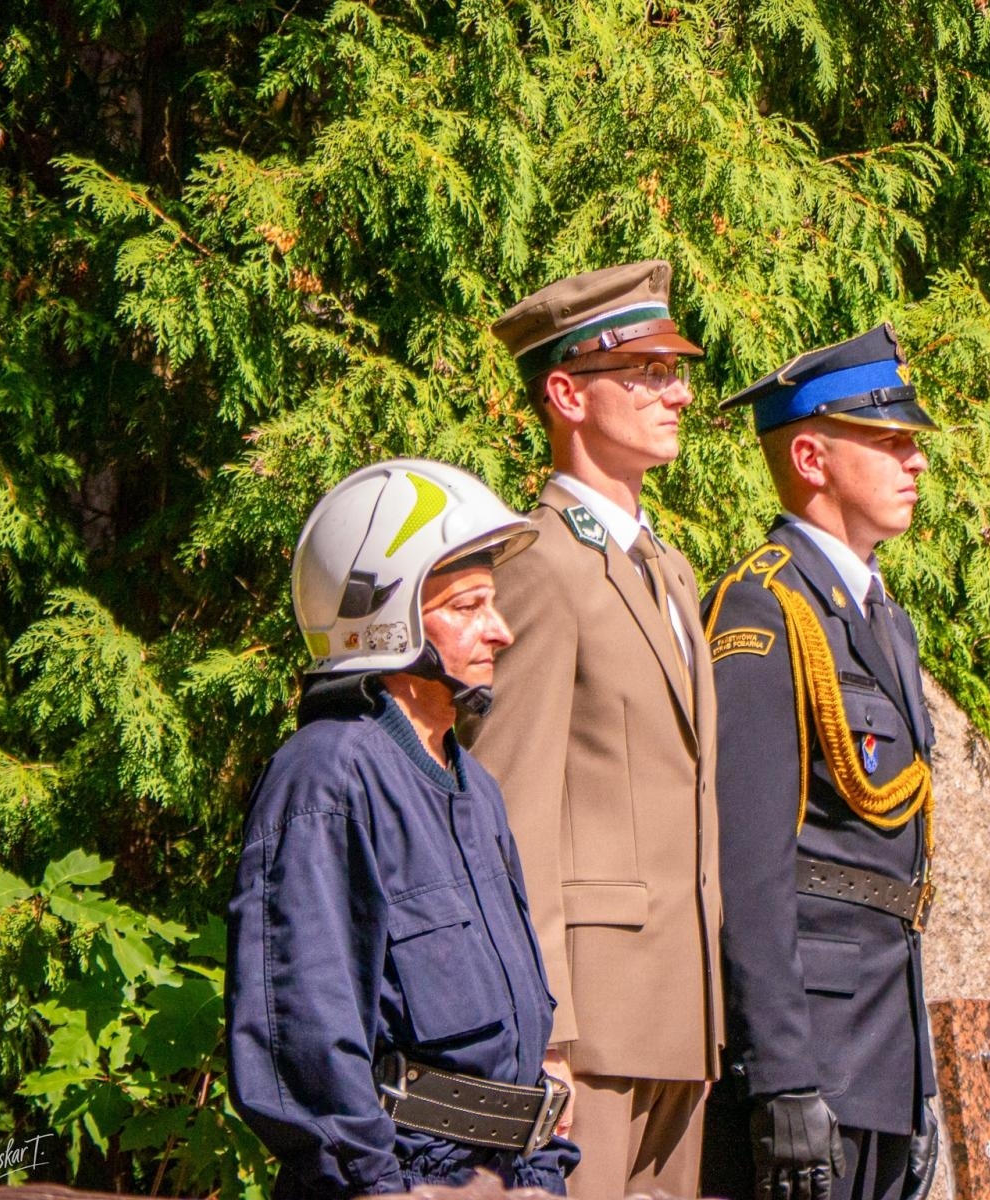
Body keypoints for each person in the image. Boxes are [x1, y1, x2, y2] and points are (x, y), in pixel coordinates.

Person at [227, 459, 578, 1199]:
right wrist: (379, 1188)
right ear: (388, 622)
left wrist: (542, 1176)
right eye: (468, 606)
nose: (503, 631)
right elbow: (304, 1036)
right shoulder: (327, 776)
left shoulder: (473, 787)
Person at [469, 261, 722, 1198]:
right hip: (592, 1029)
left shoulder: (675, 571)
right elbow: (513, 811)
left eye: (676, 371)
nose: (678, 393)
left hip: (682, 1018)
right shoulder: (538, 567)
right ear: (567, 394)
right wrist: (544, 1031)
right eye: (645, 374)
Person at [699, 325, 941, 1200]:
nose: (915, 462)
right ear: (810, 455)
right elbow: (750, 867)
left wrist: (918, 1080)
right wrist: (781, 1077)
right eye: (889, 441)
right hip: (813, 1053)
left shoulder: (884, 619)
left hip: (880, 1049)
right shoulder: (763, 610)